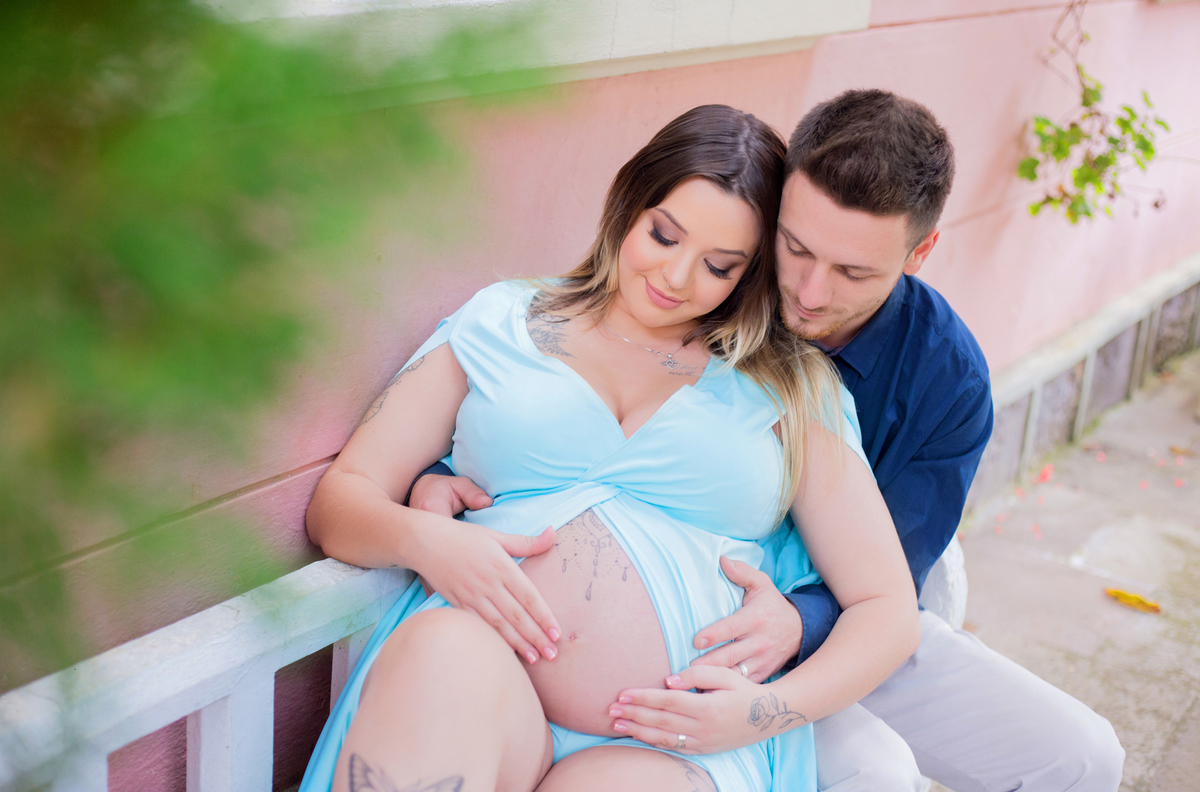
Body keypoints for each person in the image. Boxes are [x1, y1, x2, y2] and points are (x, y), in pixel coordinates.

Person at [413, 90, 1126, 792]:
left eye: (854, 272)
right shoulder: (709, 279)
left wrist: (796, 619)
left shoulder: (946, 377)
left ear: (920, 252)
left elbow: (889, 583)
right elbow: (571, 402)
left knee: (1084, 757)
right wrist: (444, 472)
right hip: (708, 628)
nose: (811, 292)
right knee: (875, 774)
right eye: (796, 248)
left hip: (830, 621)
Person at [299, 104, 920, 792]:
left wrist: (759, 714)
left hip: (679, 745)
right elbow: (341, 500)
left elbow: (887, 611)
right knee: (439, 657)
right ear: (630, 201)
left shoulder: (791, 387)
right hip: (486, 686)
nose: (677, 277)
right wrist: (424, 541)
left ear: (748, 276)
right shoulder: (503, 321)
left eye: (718, 265)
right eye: (662, 235)